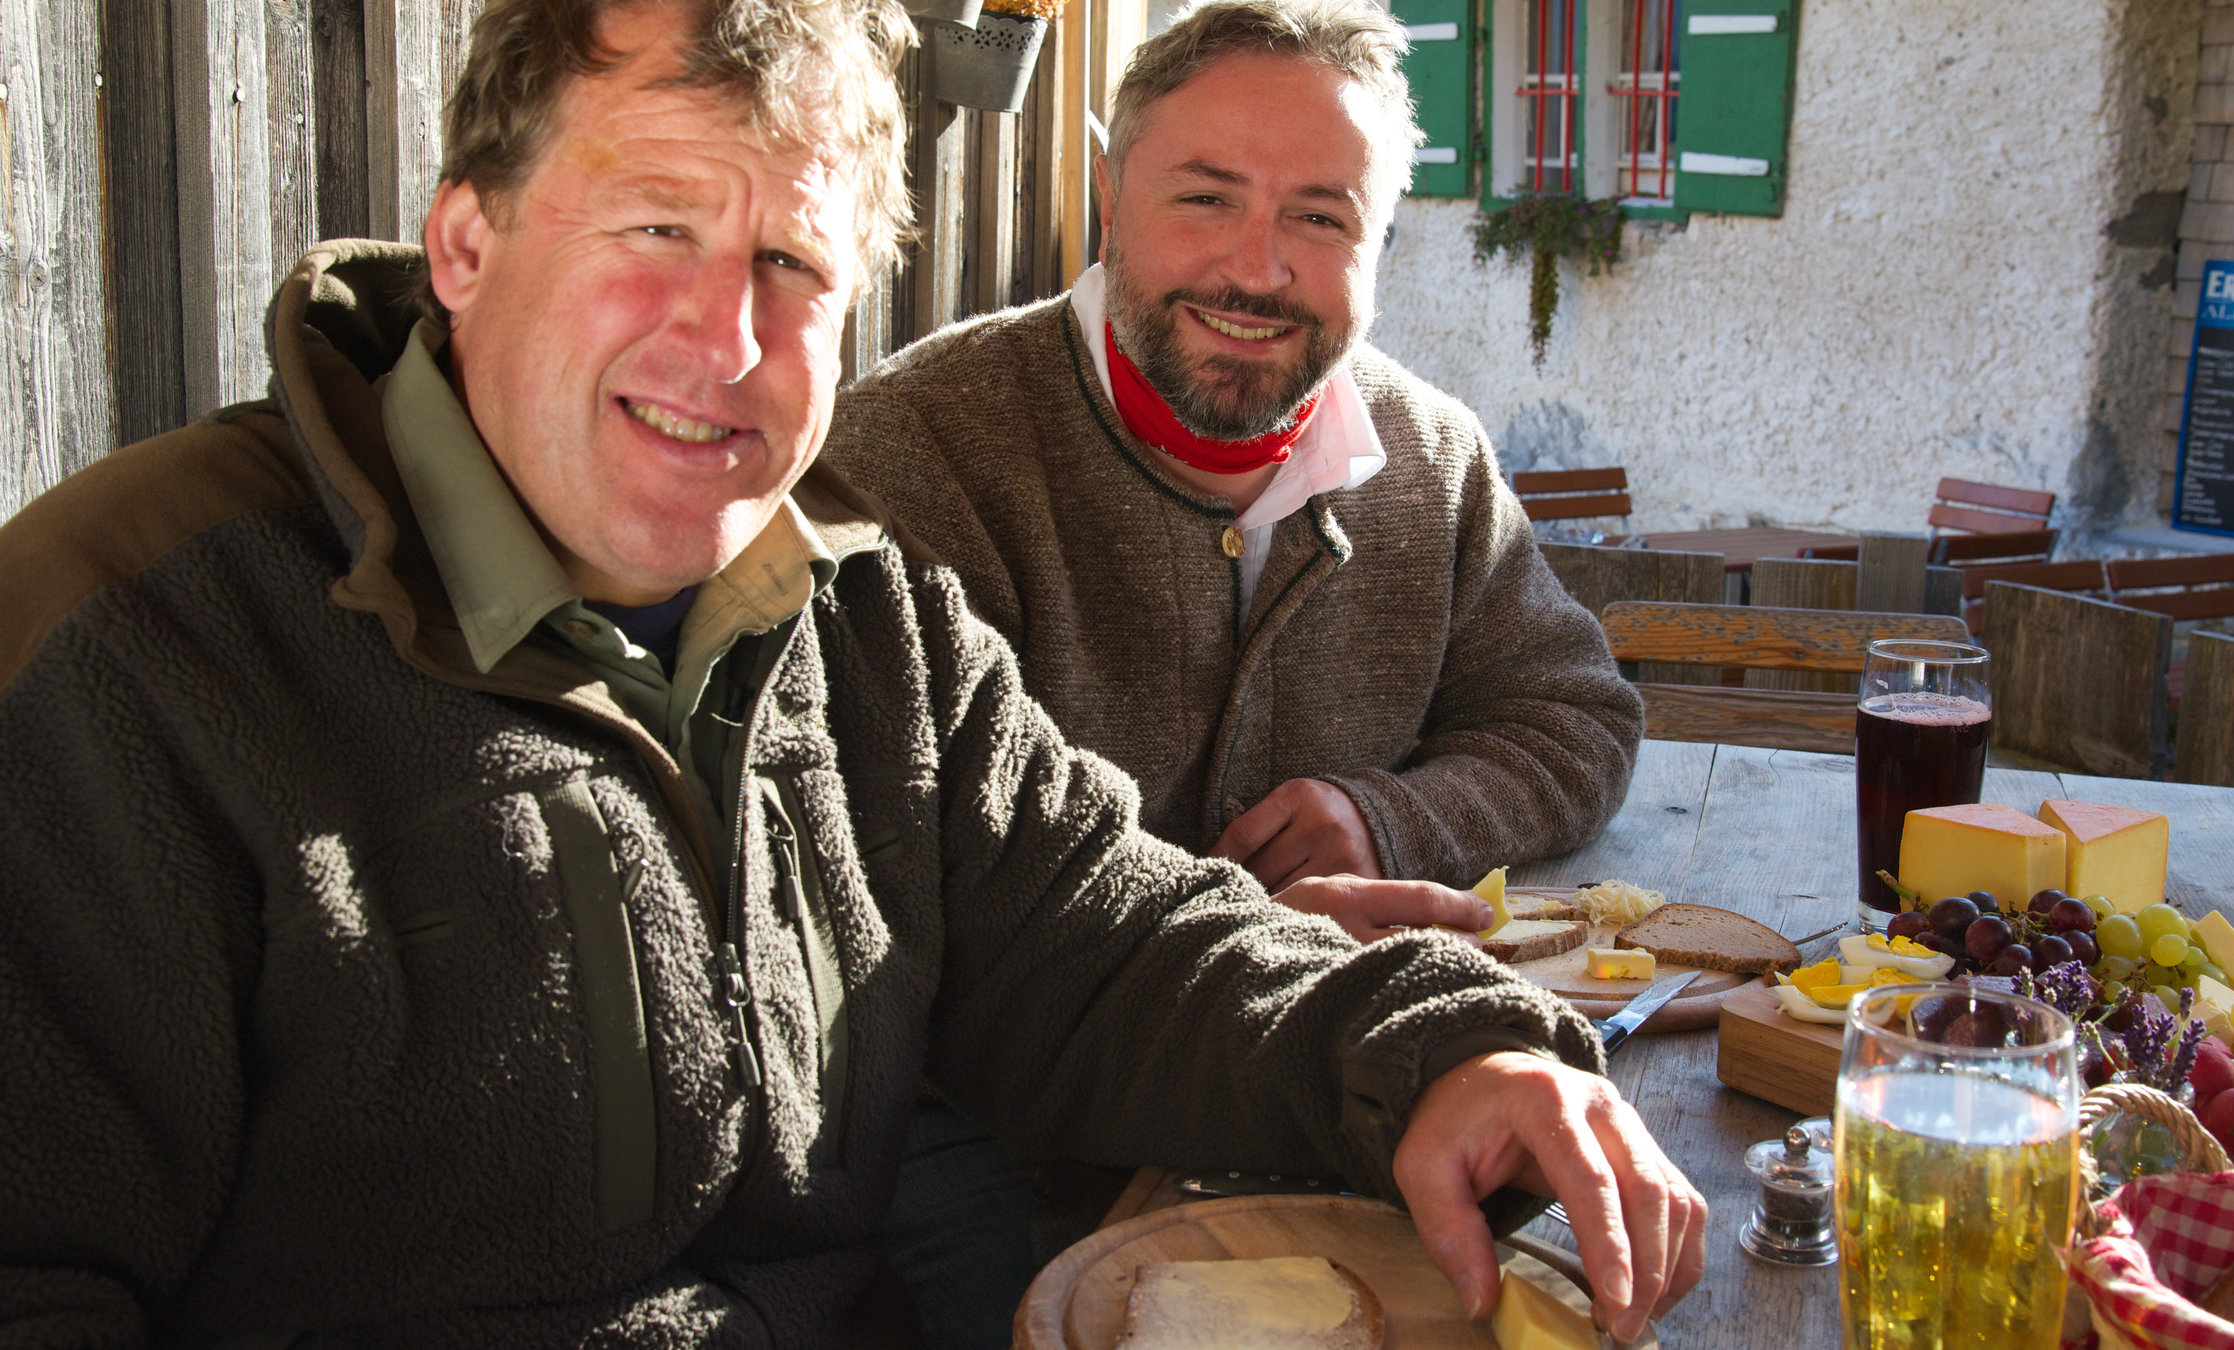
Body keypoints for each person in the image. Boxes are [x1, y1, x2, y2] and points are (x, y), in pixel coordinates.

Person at [0, 1, 1701, 1347]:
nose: (723, 339)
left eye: (792, 269)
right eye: (656, 226)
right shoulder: (134, 648)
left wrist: (1442, 1052)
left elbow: (1104, 941)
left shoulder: (859, 617)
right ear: (465, 241)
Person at [823, 0, 1644, 947]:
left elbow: (1574, 721)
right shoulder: (916, 452)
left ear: (1378, 240)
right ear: (1108, 195)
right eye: (1206, 198)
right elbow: (902, 855)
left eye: (1319, 216)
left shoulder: (1434, 458)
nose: (1258, 270)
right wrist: (1238, 940)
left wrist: (1388, 820)